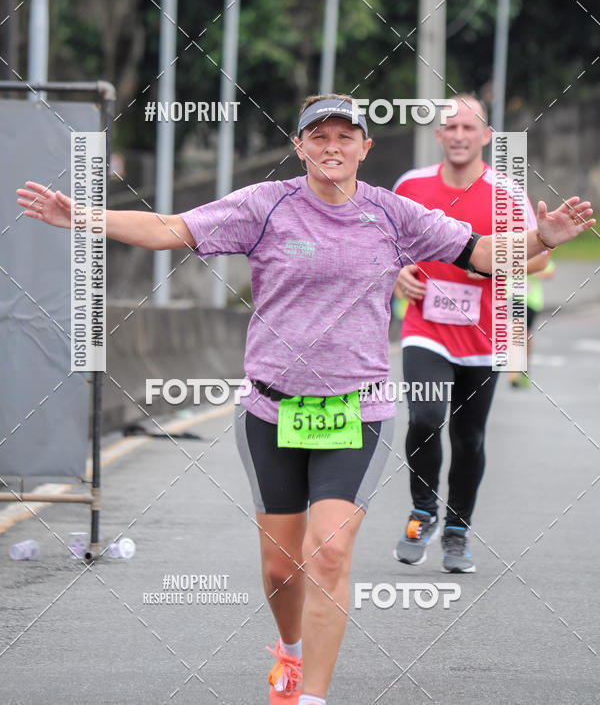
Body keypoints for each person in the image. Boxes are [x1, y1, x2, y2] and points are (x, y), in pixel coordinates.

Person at [16, 94, 593, 704]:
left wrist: (540, 239)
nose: (333, 147)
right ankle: (289, 652)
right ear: (300, 146)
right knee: (279, 570)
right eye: (319, 137)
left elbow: (478, 253)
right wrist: (81, 215)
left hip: (357, 410)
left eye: (347, 137)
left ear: (365, 149)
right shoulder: (265, 206)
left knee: (331, 551)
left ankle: (311, 697)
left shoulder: (394, 213)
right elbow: (172, 230)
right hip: (271, 409)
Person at [392, 95, 560, 574]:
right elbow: (384, 243)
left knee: (470, 438)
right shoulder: (412, 186)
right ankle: (422, 510)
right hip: (425, 326)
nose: (460, 135)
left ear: (487, 136)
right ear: (439, 135)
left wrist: (494, 269)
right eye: (452, 127)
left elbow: (541, 257)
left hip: (486, 333)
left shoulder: (507, 193)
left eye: (470, 127)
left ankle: (457, 531)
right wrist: (396, 273)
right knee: (425, 417)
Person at [509, 256, 555, 389]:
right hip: (512, 299)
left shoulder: (537, 252)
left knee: (525, 336)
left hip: (531, 301)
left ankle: (524, 368)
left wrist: (528, 270)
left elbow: (549, 272)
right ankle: (513, 374)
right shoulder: (510, 250)